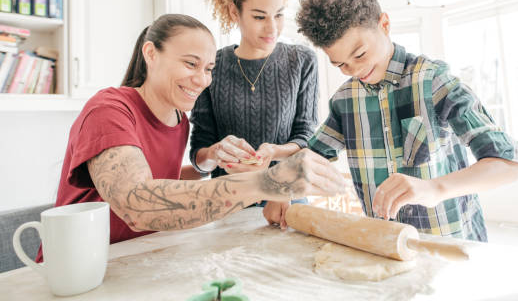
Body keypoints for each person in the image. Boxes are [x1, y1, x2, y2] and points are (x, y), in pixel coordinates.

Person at [37, 14, 344, 261]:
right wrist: (270, 182)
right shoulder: (109, 110)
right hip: (76, 266)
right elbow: (138, 204)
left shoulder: (178, 119)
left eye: (209, 68)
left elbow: (162, 177)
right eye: (190, 64)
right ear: (150, 54)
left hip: (134, 259)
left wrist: (225, 166)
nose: (202, 80)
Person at [292, 0, 518, 241]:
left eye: (359, 54)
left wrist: (435, 188)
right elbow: (310, 161)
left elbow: (509, 162)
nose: (354, 70)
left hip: (452, 245)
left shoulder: (433, 81)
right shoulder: (344, 102)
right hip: (388, 246)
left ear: (384, 24)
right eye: (340, 64)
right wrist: (283, 190)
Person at [190, 0, 319, 228]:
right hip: (227, 205)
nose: (272, 28)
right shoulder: (213, 64)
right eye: (260, 16)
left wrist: (274, 151)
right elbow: (199, 155)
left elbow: (307, 137)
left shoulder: (302, 60)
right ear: (234, 12)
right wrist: (216, 153)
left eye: (279, 14)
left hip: (287, 202)